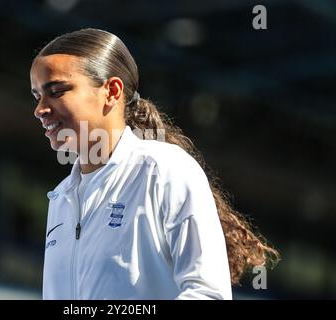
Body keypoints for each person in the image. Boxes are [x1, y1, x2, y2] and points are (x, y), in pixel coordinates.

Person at [30, 28, 279, 300]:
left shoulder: (164, 171)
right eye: (37, 96)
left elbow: (208, 294)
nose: (40, 109)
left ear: (111, 91)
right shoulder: (61, 198)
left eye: (56, 91)